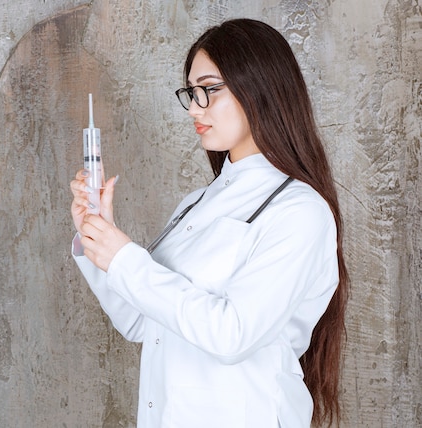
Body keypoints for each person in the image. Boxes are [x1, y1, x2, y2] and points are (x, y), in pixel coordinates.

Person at [70, 18, 349, 428]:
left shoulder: (301, 212)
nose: (195, 109)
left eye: (209, 90)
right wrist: (97, 235)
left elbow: (232, 334)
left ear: (261, 86)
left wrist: (124, 257)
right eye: (191, 93)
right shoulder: (196, 203)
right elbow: (140, 320)